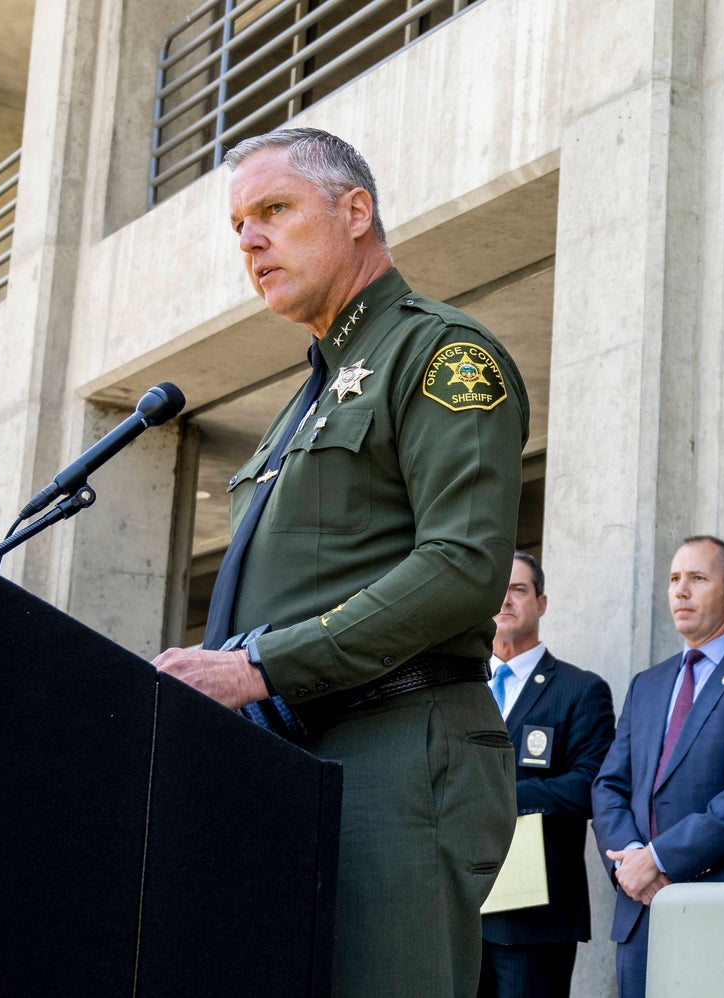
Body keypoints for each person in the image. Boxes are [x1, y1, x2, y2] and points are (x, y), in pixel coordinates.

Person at [151, 127, 528, 996]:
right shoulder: (309, 395)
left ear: (354, 211)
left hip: (398, 757)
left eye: (274, 211)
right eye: (239, 223)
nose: (249, 240)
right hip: (288, 760)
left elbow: (464, 564)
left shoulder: (441, 354)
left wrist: (257, 665)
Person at [590, 536, 724, 998]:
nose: (681, 591)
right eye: (675, 579)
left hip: (718, 905)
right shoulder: (647, 683)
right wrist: (633, 863)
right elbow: (608, 785)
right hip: (639, 910)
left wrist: (659, 858)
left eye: (698, 579)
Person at [480, 552, 616, 998]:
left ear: (541, 602)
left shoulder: (581, 690)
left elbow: (590, 784)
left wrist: (500, 799)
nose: (506, 601)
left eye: (518, 590)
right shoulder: (460, 689)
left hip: (533, 917)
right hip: (456, 911)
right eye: (497, 591)